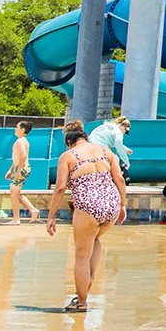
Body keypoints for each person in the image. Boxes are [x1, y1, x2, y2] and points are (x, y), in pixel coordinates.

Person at [45, 120, 126, 313]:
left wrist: (51, 216)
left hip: (88, 205)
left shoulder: (68, 156)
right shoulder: (106, 151)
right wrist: (122, 205)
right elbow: (120, 179)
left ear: (69, 142)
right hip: (111, 204)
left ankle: (81, 302)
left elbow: (60, 187)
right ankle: (87, 280)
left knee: (81, 255)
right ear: (85, 138)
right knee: (95, 238)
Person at [4, 121, 37, 225]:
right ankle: (32, 210)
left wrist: (18, 171)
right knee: (15, 193)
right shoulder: (23, 141)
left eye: (17, 127)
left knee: (14, 194)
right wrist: (11, 169)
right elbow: (18, 158)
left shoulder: (21, 141)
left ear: (22, 130)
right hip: (21, 167)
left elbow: (23, 156)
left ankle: (16, 218)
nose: (15, 129)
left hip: (21, 168)